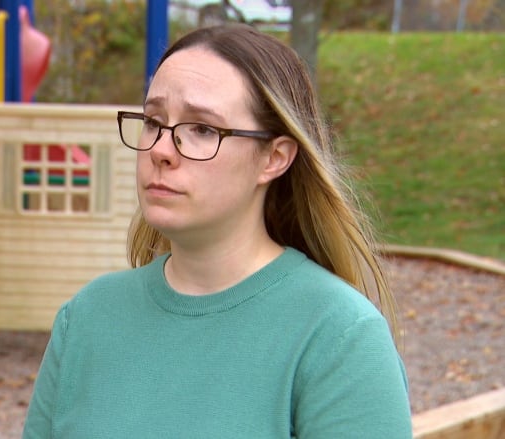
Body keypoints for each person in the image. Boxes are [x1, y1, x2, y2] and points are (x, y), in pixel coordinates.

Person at [22, 23, 412, 438]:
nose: (160, 150)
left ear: (274, 158)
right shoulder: (88, 317)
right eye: (154, 121)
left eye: (203, 129)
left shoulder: (340, 335)